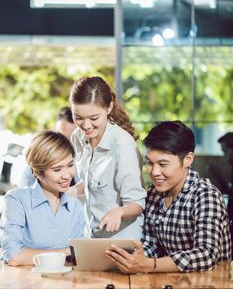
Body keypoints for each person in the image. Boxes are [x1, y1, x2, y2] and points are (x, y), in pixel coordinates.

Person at [105, 120, 232, 273]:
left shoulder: (206, 196)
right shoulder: (153, 193)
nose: (154, 172)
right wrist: (133, 258)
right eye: (150, 163)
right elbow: (152, 245)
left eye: (163, 164)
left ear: (188, 159)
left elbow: (206, 254)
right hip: (172, 280)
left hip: (213, 281)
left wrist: (149, 265)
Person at [69, 76, 146, 239]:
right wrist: (66, 192)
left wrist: (119, 212)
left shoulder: (123, 145)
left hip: (123, 240)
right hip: (92, 235)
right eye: (78, 118)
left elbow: (137, 204)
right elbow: (93, 182)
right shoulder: (77, 137)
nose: (86, 125)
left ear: (109, 107)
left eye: (94, 118)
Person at [0, 130, 85, 266]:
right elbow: (14, 256)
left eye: (70, 165)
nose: (67, 175)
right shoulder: (17, 200)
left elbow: (82, 256)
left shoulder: (76, 207)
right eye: (57, 169)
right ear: (37, 172)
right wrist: (67, 251)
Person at [17, 106, 77, 188]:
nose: (67, 145)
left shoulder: (86, 162)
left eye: (73, 139)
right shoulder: (36, 162)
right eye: (62, 138)